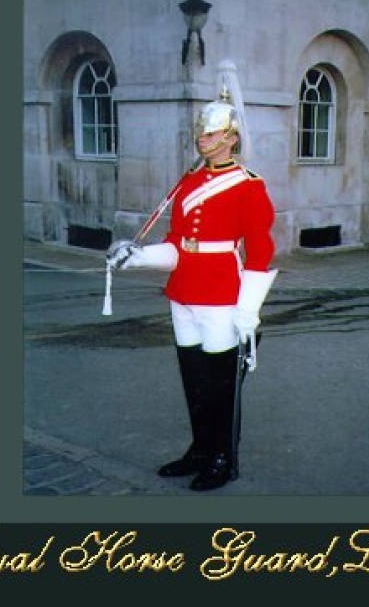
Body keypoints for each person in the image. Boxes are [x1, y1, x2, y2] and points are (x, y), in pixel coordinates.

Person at [108, 60, 277, 491]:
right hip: (183, 292)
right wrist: (138, 258)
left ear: (232, 138)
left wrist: (248, 311)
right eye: (200, 132)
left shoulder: (248, 185)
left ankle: (223, 457)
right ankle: (200, 449)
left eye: (211, 133)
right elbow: (179, 244)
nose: (202, 139)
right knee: (194, 377)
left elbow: (260, 250)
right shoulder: (188, 182)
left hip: (223, 294)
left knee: (221, 381)